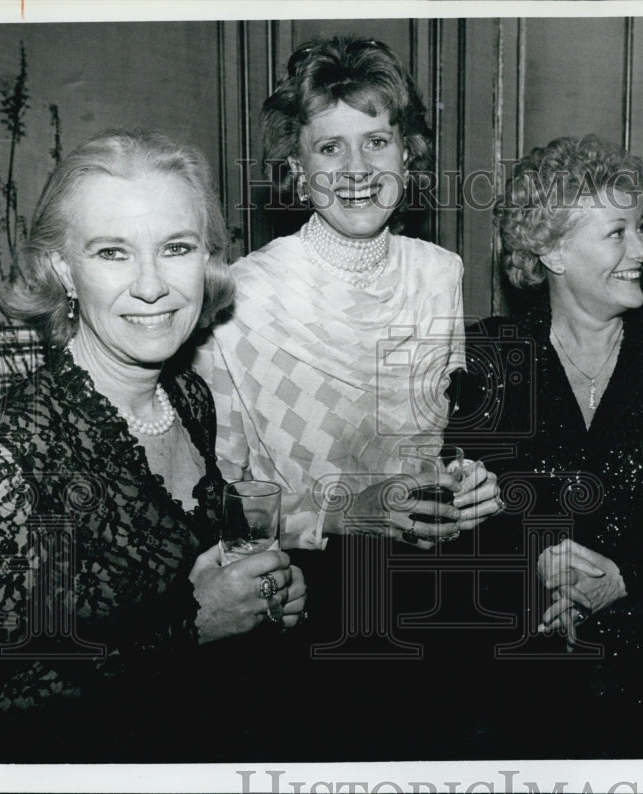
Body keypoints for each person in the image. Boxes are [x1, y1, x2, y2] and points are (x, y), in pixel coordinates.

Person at [194, 37, 502, 758]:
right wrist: (353, 509)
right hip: (307, 606)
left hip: (434, 598)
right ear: (296, 169)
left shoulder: (439, 274)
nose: (357, 170)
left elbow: (431, 442)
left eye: (377, 141)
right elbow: (225, 497)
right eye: (330, 149)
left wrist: (468, 481)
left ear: (408, 155)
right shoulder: (243, 296)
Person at [0, 130, 307, 762]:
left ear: (207, 260)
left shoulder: (188, 396)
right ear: (63, 269)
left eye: (176, 248)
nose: (152, 285)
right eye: (112, 252)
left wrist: (263, 594)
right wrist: (192, 624)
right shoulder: (13, 459)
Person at [443, 134, 643, 758]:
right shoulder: (493, 359)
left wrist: (625, 579)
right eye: (617, 233)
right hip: (525, 672)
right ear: (553, 252)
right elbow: (467, 524)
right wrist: (536, 574)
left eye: (640, 229)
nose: (641, 250)